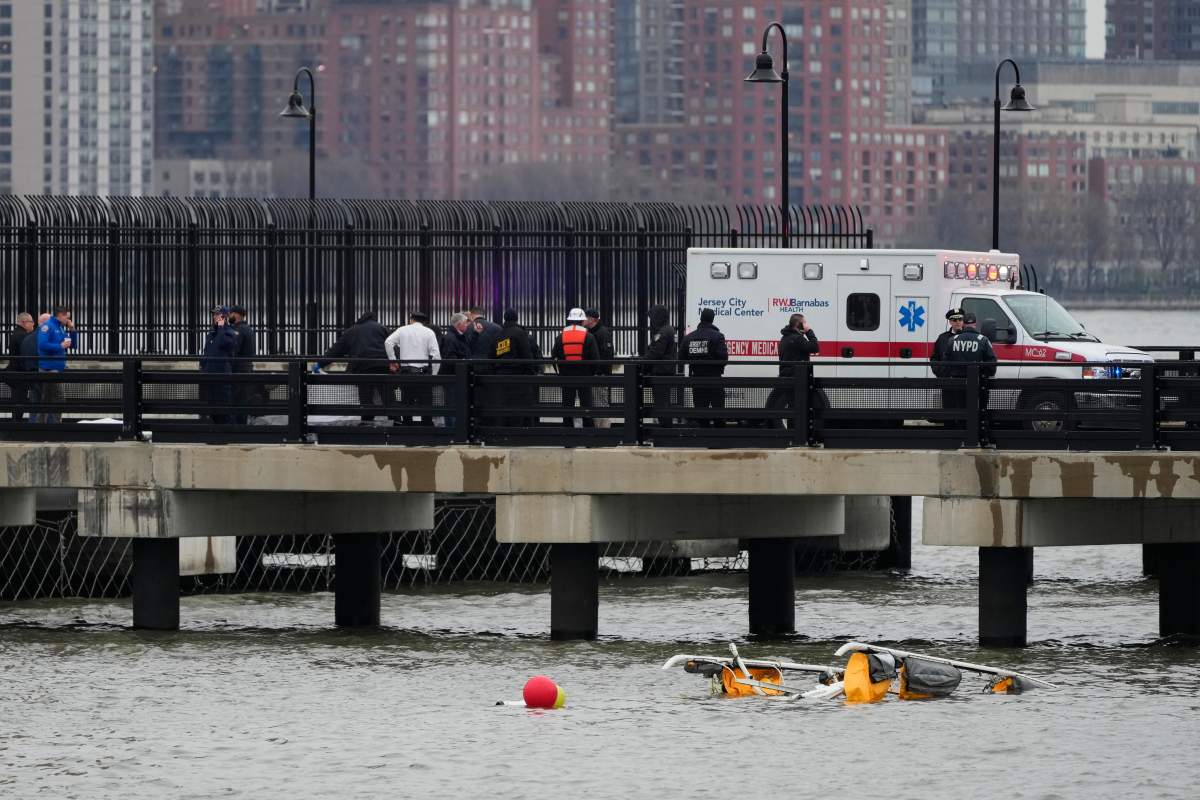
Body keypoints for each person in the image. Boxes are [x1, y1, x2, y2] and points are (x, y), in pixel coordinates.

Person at [316, 311, 396, 423]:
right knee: (387, 395)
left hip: (362, 367)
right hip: (382, 366)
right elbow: (392, 345)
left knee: (366, 397)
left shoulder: (353, 330)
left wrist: (320, 363)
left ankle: (367, 421)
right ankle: (396, 420)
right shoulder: (382, 328)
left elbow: (337, 349)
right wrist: (397, 363)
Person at [385, 311, 441, 426]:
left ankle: (407, 426)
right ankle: (426, 427)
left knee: (406, 401)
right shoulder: (429, 332)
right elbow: (436, 355)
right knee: (426, 403)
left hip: (406, 373)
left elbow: (388, 342)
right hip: (423, 374)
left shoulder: (402, 330)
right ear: (424, 322)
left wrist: (393, 360)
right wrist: (434, 375)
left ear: (411, 319)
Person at [944, 311, 998, 429]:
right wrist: (987, 375)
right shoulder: (983, 340)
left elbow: (946, 362)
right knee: (978, 410)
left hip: (958, 383)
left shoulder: (953, 339)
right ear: (975, 323)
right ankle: (976, 436)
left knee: (962, 410)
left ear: (963, 323)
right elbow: (992, 363)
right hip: (979, 383)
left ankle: (962, 436)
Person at [765, 312, 819, 424]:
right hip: (796, 377)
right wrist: (809, 332)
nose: (806, 325)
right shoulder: (798, 339)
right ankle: (796, 435)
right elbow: (815, 347)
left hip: (787, 376)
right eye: (804, 323)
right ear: (798, 324)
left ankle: (792, 433)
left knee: (792, 406)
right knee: (798, 406)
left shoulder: (784, 338)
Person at [679, 307, 729, 427]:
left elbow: (681, 358)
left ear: (701, 318)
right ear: (712, 319)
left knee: (701, 412)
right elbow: (723, 358)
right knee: (718, 412)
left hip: (697, 380)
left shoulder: (689, 337)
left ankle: (703, 437)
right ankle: (719, 438)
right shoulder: (718, 336)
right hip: (715, 379)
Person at [552, 307, 600, 428]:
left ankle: (568, 437)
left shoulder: (560, 336)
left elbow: (554, 357)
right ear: (582, 321)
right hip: (585, 376)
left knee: (567, 406)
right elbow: (596, 359)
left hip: (566, 377)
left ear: (569, 320)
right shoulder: (589, 336)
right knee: (586, 406)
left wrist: (560, 372)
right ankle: (588, 437)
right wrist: (591, 374)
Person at [490, 308, 537, 427]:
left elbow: (491, 355)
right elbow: (527, 354)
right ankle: (517, 430)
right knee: (518, 404)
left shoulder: (498, 334)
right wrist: (530, 372)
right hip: (518, 375)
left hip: (500, 375)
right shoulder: (520, 333)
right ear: (516, 319)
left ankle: (503, 430)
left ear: (504, 319)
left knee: (503, 403)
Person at [36, 306, 75, 424]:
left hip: (57, 368)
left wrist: (72, 330)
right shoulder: (47, 326)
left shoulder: (60, 328)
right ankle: (51, 424)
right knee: (56, 398)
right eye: (67, 317)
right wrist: (60, 346)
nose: (68, 320)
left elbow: (73, 345)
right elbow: (42, 345)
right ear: (60, 315)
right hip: (49, 368)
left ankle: (49, 423)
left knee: (49, 398)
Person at [199, 306, 237, 424]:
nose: (215, 317)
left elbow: (223, 343)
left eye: (217, 315)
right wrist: (203, 367)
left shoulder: (229, 333)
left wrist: (221, 327)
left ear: (224, 317)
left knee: (223, 405)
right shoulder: (211, 333)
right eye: (214, 314)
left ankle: (227, 432)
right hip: (210, 374)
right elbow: (206, 351)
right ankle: (215, 432)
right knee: (211, 405)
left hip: (222, 374)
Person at [643, 304, 678, 428]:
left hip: (661, 372)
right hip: (667, 370)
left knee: (661, 403)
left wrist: (642, 364)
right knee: (664, 402)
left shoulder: (662, 332)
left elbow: (655, 353)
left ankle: (665, 429)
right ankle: (666, 428)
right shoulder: (670, 329)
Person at [932, 307, 966, 421]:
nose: (958, 322)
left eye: (960, 319)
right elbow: (934, 358)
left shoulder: (970, 337)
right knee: (948, 411)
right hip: (948, 381)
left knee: (965, 412)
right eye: (954, 320)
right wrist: (940, 373)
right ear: (950, 321)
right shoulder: (943, 338)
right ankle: (950, 435)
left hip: (965, 382)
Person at [439, 312, 472, 429]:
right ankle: (452, 429)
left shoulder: (456, 336)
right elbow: (450, 358)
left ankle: (454, 429)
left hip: (456, 376)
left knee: (453, 403)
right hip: (452, 377)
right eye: (465, 323)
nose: (467, 325)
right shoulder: (451, 338)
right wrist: (463, 360)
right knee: (451, 404)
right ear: (459, 325)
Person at [228, 304, 259, 424]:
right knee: (243, 398)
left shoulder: (238, 330)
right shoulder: (248, 328)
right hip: (247, 368)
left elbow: (234, 350)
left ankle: (238, 427)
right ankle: (242, 425)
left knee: (237, 399)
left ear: (236, 315)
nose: (229, 316)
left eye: (231, 313)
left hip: (239, 369)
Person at [583, 308, 614, 429]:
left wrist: (598, 372)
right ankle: (601, 430)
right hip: (599, 374)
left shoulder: (600, 333)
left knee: (600, 403)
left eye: (585, 317)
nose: (583, 320)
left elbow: (605, 356)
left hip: (600, 375)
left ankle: (603, 431)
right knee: (598, 402)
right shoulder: (598, 332)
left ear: (591, 319)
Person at [5, 313, 34, 421]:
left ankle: (16, 423)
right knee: (19, 401)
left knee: (17, 400)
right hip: (19, 374)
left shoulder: (16, 333)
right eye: (31, 322)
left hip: (14, 372)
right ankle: (16, 425)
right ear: (24, 322)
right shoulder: (22, 335)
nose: (33, 325)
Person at [21, 314, 48, 422]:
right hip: (44, 374)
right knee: (49, 404)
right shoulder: (44, 338)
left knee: (34, 404)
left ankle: (32, 429)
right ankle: (49, 431)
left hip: (31, 375)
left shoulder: (27, 338)